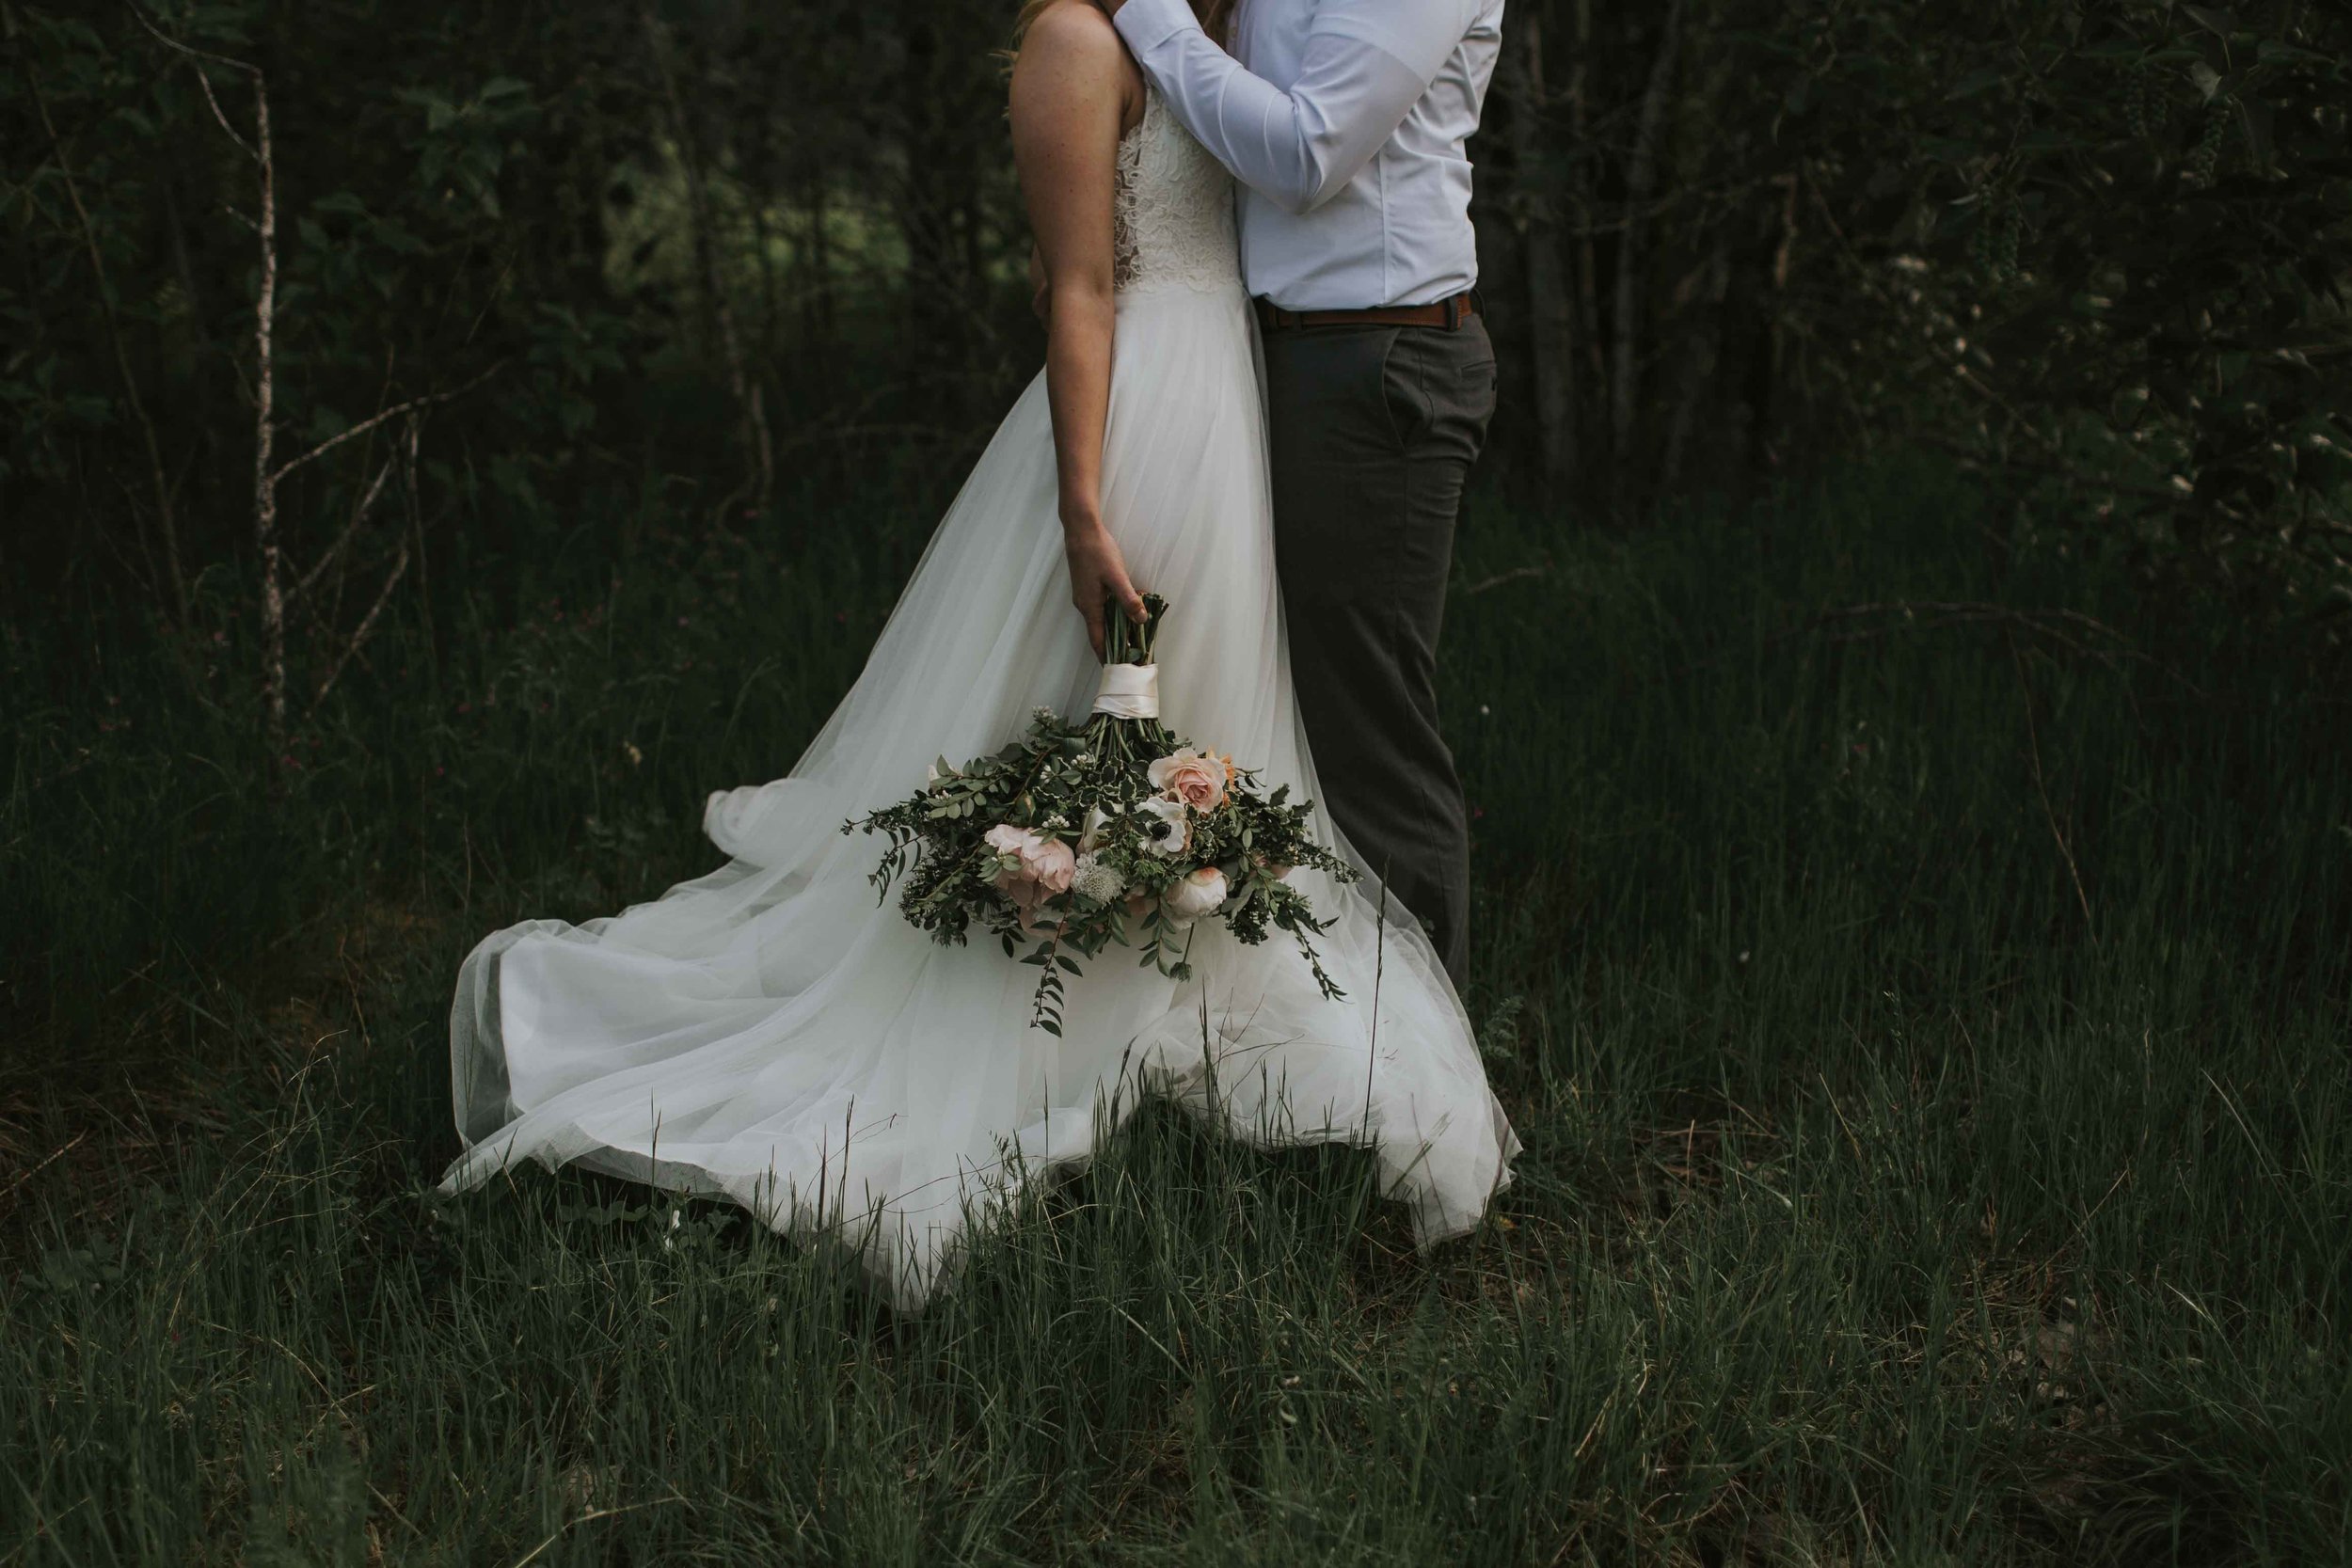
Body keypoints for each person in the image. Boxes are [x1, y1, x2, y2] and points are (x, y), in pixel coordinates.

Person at [437, 0, 1516, 1308]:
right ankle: (1061, 1009)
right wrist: (1080, 504)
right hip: (1151, 424)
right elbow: (1076, 281)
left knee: (1251, 733)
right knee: (1111, 716)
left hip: (1244, 408)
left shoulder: (1209, 28)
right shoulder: (1081, 36)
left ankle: (1255, 1012)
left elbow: (1301, 150)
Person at [1102, 0, 1505, 990]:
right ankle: (1304, 1019)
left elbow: (1303, 153)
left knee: (1366, 728)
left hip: (1375, 360)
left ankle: (1418, 1073)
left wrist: (1142, 13)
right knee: (1279, 713)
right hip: (1266, 355)